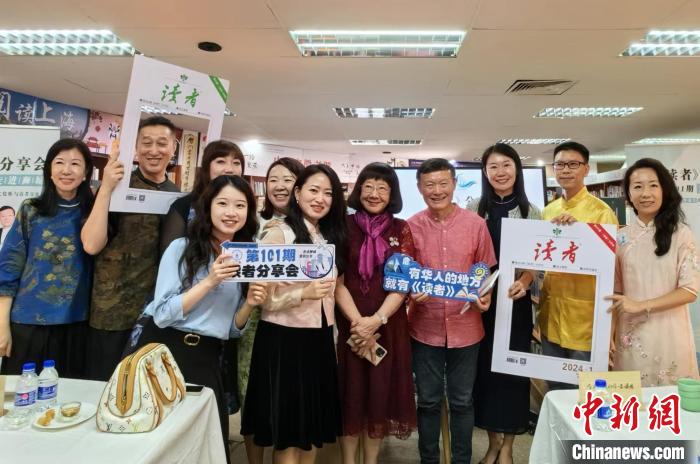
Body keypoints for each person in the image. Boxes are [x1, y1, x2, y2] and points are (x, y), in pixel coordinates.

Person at [132, 175, 266, 456]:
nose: (231, 212)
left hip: (208, 357)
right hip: (167, 353)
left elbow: (232, 329)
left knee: (206, 446)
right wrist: (210, 281)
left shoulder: (245, 257)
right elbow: (163, 314)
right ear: (208, 207)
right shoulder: (181, 248)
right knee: (163, 444)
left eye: (240, 205)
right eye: (223, 203)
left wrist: (250, 304)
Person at [242, 164, 346, 464]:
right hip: (284, 340)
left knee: (311, 430)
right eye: (314, 190)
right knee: (288, 433)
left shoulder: (325, 236)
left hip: (320, 337)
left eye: (328, 193)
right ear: (297, 193)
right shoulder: (279, 234)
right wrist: (303, 293)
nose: (321, 198)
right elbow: (262, 298)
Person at [407, 158, 496, 464]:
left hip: (466, 327)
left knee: (461, 401)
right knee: (428, 401)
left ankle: (461, 460)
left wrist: (485, 295)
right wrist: (411, 291)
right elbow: (405, 273)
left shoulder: (476, 225)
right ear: (419, 188)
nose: (437, 190)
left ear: (454, 184)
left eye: (443, 183)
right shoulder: (410, 227)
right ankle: (428, 460)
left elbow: (484, 271)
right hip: (425, 327)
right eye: (429, 184)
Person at [81, 115, 180, 381]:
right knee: (105, 387)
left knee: (146, 389)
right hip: (111, 313)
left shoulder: (176, 195)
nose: (154, 150)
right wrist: (106, 188)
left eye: (162, 143)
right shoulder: (119, 187)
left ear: (173, 147)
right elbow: (91, 244)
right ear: (135, 147)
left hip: (156, 314)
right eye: (146, 142)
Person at [335, 163, 417, 464]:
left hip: (388, 326)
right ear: (359, 190)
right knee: (350, 396)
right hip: (349, 325)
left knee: (379, 397)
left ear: (392, 194)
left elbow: (402, 285)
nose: (374, 193)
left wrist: (376, 320)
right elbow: (336, 281)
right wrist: (359, 323)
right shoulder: (342, 226)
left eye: (383, 188)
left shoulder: (401, 229)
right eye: (368, 186)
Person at [467, 144, 541, 464]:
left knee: (513, 373)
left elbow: (537, 262)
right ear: (485, 173)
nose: (500, 172)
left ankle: (508, 445)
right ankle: (492, 443)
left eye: (506, 165)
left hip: (516, 303)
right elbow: (468, 256)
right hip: (482, 304)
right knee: (485, 373)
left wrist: (525, 281)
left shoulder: (531, 211)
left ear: (516, 169)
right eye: (493, 167)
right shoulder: (474, 208)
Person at [0, 139, 94, 377]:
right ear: (49, 171)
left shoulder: (94, 214)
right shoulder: (30, 209)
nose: (66, 170)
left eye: (75, 164)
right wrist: (2, 326)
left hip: (76, 325)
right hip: (28, 324)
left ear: (86, 173)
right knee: (21, 395)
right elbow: (8, 268)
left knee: (69, 397)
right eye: (59, 162)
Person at [608, 158, 699, 386]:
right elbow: (616, 292)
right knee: (632, 400)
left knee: (669, 401)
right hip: (630, 335)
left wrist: (641, 305)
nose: (645, 193)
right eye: (637, 186)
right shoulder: (621, 237)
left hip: (669, 332)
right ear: (628, 194)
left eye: (653, 185)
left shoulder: (681, 234)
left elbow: (690, 290)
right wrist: (609, 332)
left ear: (664, 190)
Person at [239, 156, 304, 464]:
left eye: (288, 179)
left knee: (285, 398)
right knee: (253, 393)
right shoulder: (252, 222)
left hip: (293, 322)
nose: (279, 186)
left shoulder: (310, 226)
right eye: (273, 179)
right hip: (252, 318)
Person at [538, 141, 617, 374]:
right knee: (554, 385)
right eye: (560, 165)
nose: (565, 170)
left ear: (586, 169)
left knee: (583, 387)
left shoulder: (602, 212)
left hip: (584, 321)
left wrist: (581, 233)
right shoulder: (548, 211)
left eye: (573, 164)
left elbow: (609, 266)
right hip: (551, 314)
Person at [160, 139, 245, 256]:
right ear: (206, 167)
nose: (229, 169)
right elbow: (169, 256)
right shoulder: (184, 205)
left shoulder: (246, 206)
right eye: (221, 161)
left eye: (236, 163)